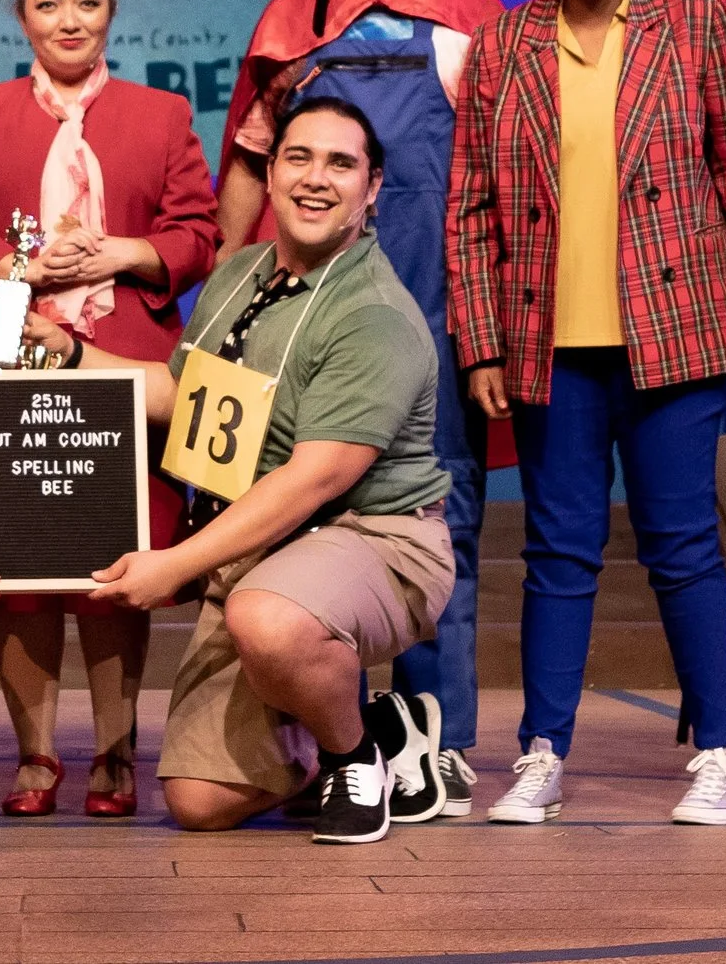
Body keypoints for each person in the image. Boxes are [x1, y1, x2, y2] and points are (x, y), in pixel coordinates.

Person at [452, 0, 726, 829]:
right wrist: (480, 341)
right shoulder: (503, 43)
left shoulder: (698, 19)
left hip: (679, 329)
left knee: (684, 546)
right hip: (548, 339)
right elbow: (470, 204)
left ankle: (719, 756)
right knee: (558, 553)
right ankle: (541, 754)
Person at [26, 98, 454, 846]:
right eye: (299, 158)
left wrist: (176, 564)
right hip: (261, 552)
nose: (316, 178)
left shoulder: (373, 313)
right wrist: (68, 354)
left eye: (341, 164)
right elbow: (182, 395)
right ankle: (378, 726)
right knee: (199, 803)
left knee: (268, 620)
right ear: (271, 172)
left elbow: (316, 479)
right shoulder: (236, 277)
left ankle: (354, 755)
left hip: (372, 538)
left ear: (373, 187)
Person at [217, 0, 501, 811]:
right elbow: (251, 159)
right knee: (294, 523)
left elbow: (506, 168)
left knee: (439, 521)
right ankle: (320, 747)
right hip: (304, 318)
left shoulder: (470, 14)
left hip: (437, 310)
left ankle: (439, 741)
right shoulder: (288, 20)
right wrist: (226, 294)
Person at [0, 0, 220, 816]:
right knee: (19, 565)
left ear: (111, 11)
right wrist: (20, 268)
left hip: (125, 368)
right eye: (49, 4)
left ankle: (117, 750)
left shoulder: (162, 114)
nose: (69, 20)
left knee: (115, 565)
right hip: (10, 352)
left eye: (86, 2)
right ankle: (37, 754)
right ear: (22, 17)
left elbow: (198, 232)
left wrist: (124, 252)